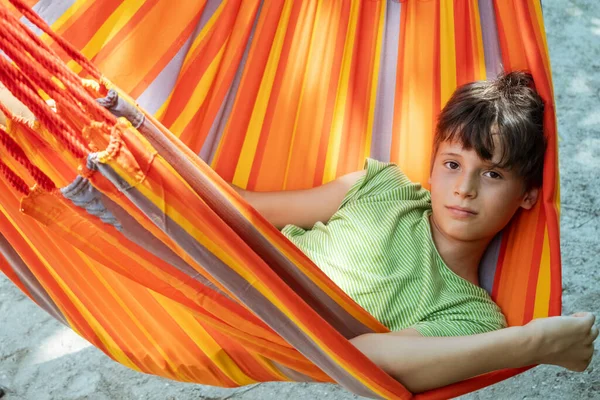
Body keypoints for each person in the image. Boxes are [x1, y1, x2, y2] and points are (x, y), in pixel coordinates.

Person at [229, 71, 598, 392]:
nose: (464, 188)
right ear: (432, 170)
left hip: (251, 330)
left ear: (528, 195)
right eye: (452, 164)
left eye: (492, 174)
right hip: (215, 264)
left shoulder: (471, 317)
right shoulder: (382, 187)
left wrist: (528, 343)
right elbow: (246, 210)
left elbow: (362, 361)